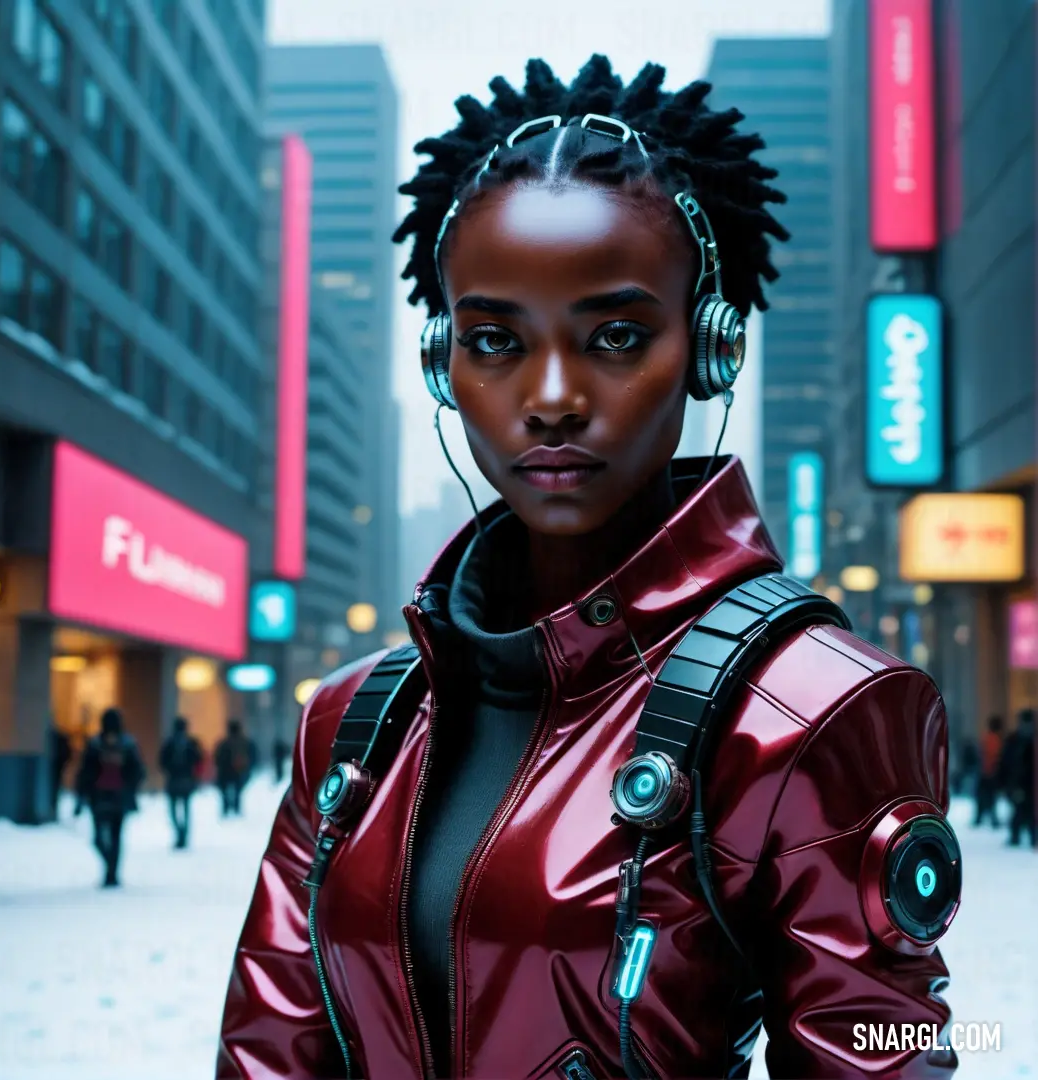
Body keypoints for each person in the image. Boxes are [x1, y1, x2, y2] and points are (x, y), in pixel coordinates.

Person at [219, 58, 959, 1078]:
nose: (553, 395)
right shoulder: (351, 726)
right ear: (444, 360)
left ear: (710, 347)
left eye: (614, 335)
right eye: (495, 339)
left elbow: (886, 1049)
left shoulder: (810, 711)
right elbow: (269, 1053)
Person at [75, 707, 145, 887]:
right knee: (103, 837)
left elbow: (136, 770)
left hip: (114, 796)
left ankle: (111, 873)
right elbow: (85, 772)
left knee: (112, 836)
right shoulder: (97, 744)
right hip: (102, 795)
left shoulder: (125, 745)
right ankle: (111, 868)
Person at [159, 716, 203, 849]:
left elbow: (162, 761)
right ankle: (184, 834)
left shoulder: (169, 742)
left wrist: (170, 770)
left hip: (173, 780)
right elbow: (198, 759)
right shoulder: (191, 742)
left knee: (173, 810)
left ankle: (180, 832)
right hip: (186, 780)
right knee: (186, 808)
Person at [1000, 708, 1036, 848]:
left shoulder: (1018, 739)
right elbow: (1006, 762)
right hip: (1019, 782)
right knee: (1020, 810)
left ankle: (1028, 836)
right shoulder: (1014, 740)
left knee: (1025, 811)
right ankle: (1020, 836)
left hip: (1026, 782)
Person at [214, 719, 255, 817]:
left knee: (225, 792)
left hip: (226, 772)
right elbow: (253, 756)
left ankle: (226, 808)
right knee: (238, 791)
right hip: (240, 771)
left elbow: (218, 758)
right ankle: (236, 808)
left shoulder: (224, 743)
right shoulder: (245, 742)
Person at [973, 716, 1003, 826]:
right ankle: (992, 818)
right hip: (991, 773)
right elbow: (995, 757)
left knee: (981, 796)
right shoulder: (997, 739)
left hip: (983, 772)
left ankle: (979, 818)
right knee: (991, 797)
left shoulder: (985, 737)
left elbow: (981, 755)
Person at [48, 722, 72, 820]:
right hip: (57, 768)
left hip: (57, 768)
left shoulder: (59, 740)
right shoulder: (58, 740)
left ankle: (53, 810)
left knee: (55, 790)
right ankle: (53, 810)